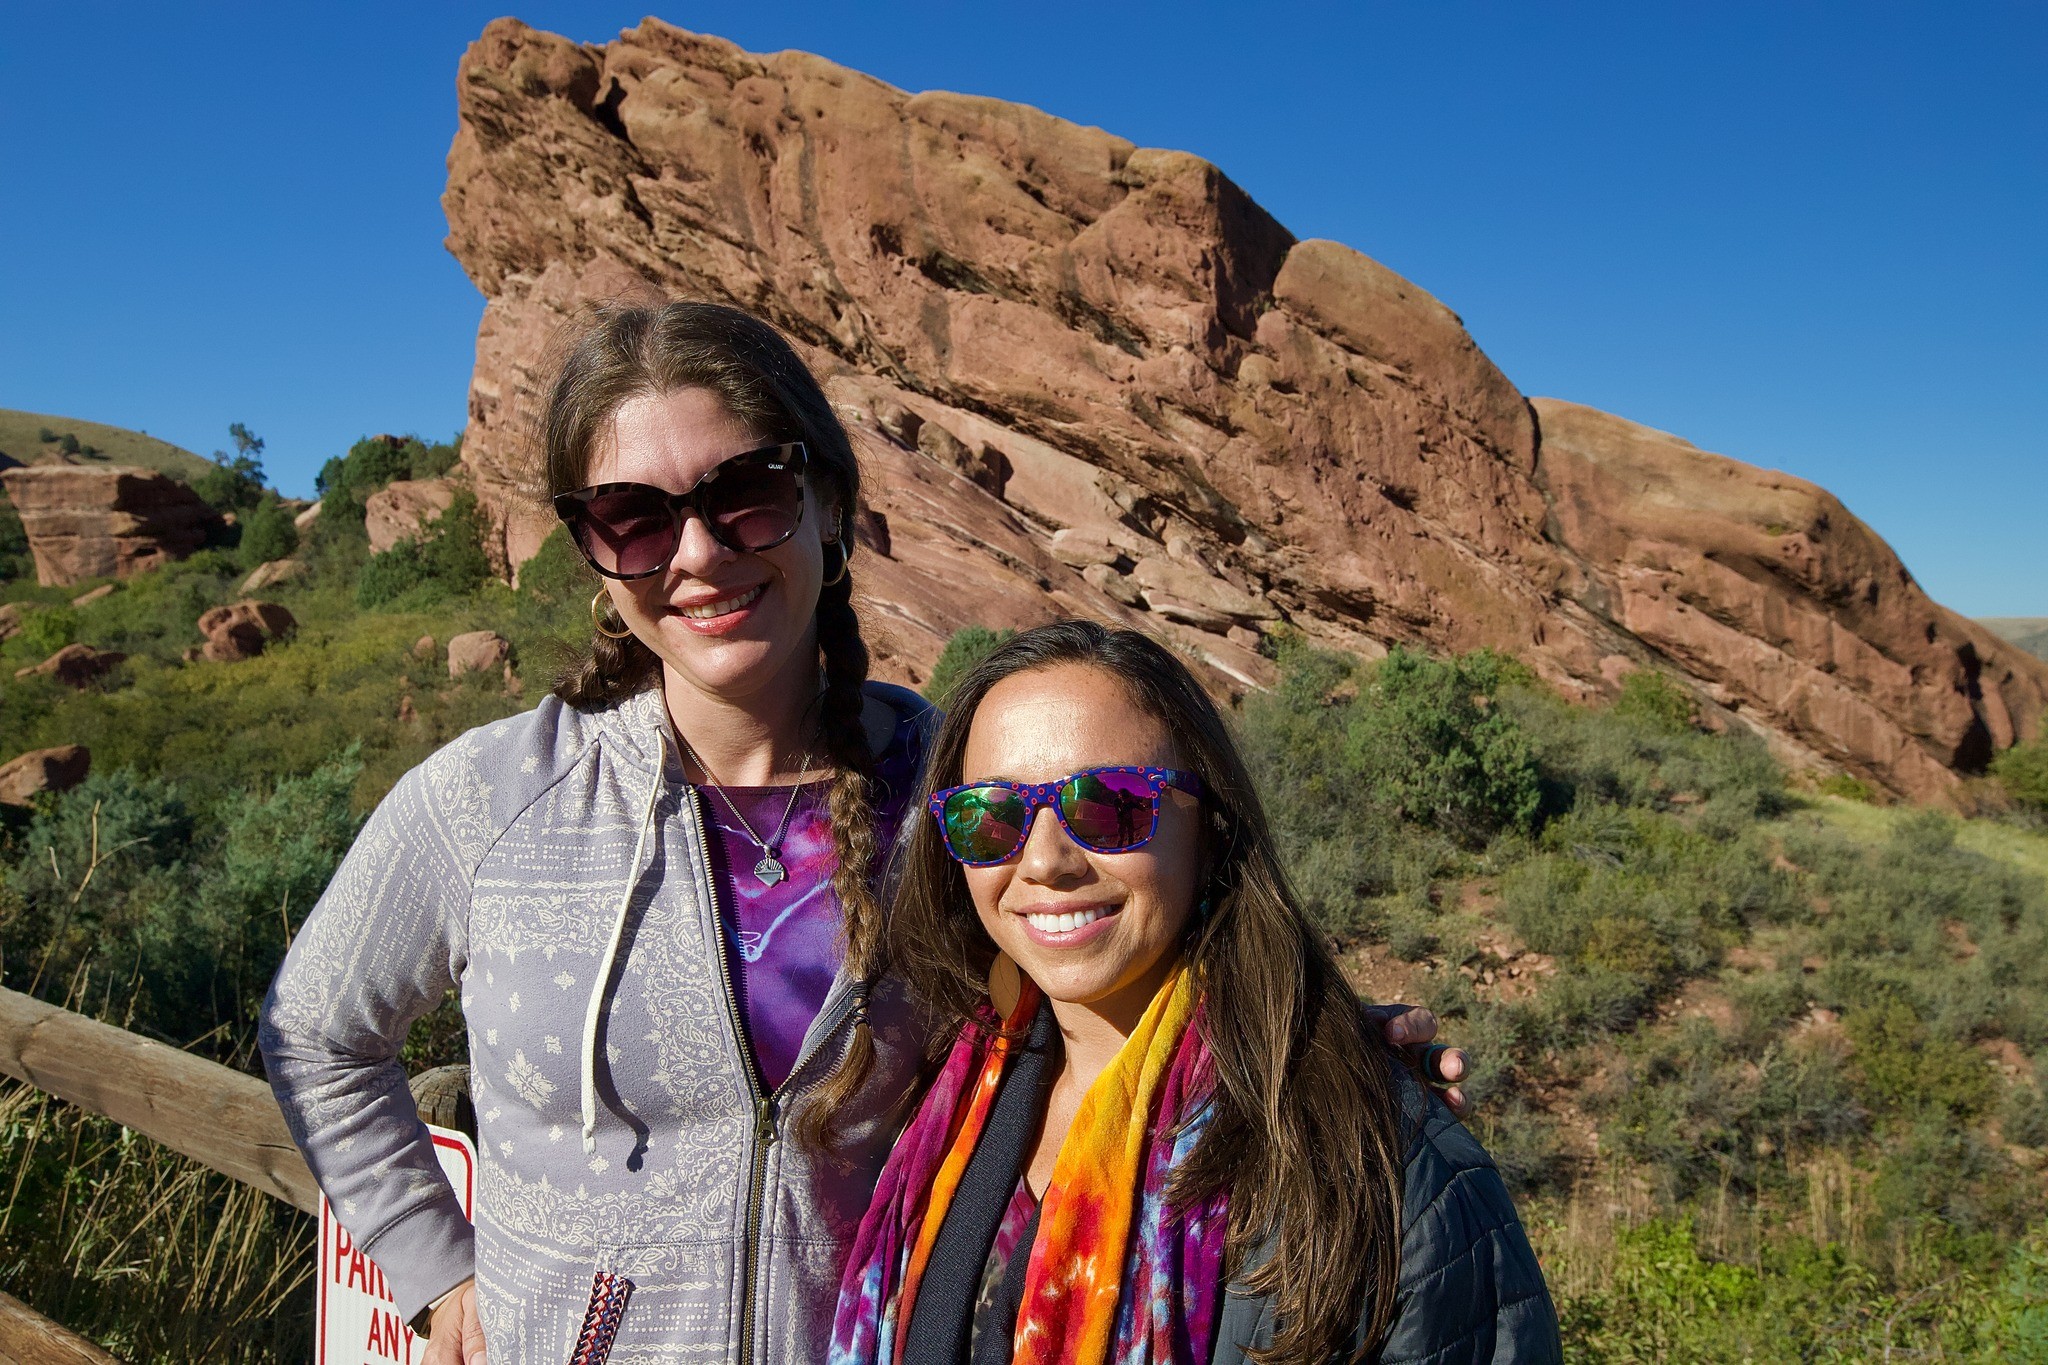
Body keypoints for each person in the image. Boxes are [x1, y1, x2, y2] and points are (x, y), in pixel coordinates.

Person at [259, 301, 1468, 1364]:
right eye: (633, 518)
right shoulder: (492, 799)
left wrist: (1321, 1043)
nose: (696, 554)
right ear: (591, 551)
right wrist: (438, 1272)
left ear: (826, 504)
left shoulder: (960, 792)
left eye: (746, 493)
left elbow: (1124, 940)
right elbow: (316, 1030)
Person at [832, 621, 1559, 1365]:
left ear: (1208, 828)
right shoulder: (931, 1103)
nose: (1045, 859)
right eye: (990, 815)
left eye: (1109, 805)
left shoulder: (1371, 1161)